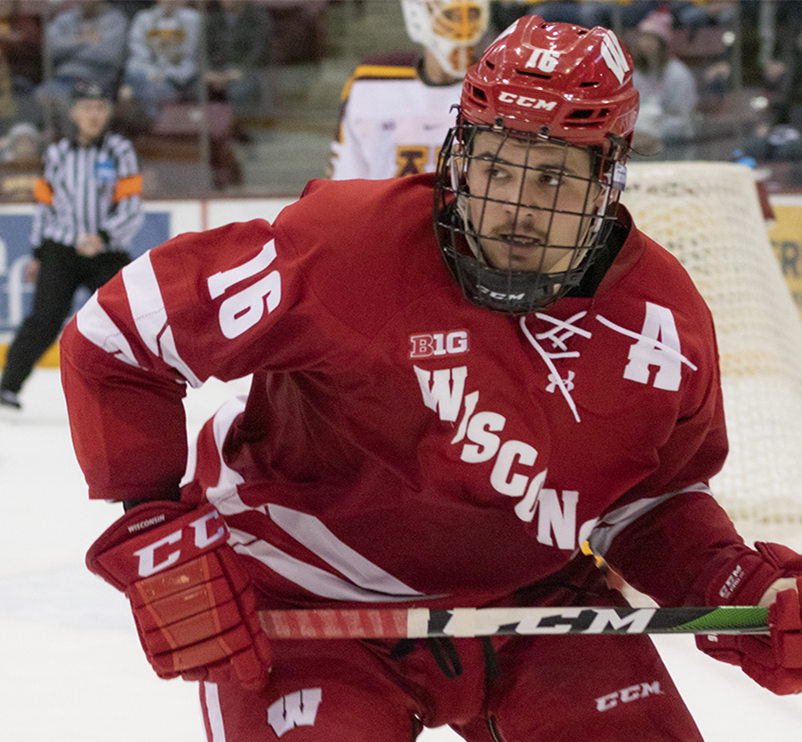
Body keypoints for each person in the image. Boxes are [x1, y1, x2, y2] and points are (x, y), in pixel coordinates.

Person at [61, 16, 802, 741]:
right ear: (459, 154)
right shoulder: (348, 247)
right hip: (302, 595)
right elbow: (115, 339)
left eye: (551, 176)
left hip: (533, 605)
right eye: (496, 165)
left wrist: (737, 582)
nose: (515, 206)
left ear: (608, 179)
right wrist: (158, 536)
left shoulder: (663, 324)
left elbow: (653, 500)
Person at [0, 80, 142, 410]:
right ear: (75, 113)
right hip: (60, 250)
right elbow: (44, 207)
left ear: (108, 114)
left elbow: (131, 205)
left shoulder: (120, 151)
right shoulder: (57, 154)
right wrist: (38, 253)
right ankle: (8, 386)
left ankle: (134, 390)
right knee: (45, 319)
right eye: (87, 108)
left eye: (101, 108)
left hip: (106, 251)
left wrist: (103, 237)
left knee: (125, 320)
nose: (94, 115)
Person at [328, 0, 489, 179]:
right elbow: (346, 181)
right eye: (450, 15)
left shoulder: (496, 87)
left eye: (472, 14)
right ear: (418, 15)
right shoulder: (371, 83)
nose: (463, 26)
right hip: (388, 207)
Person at [35, 0, 128, 134]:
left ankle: (73, 143)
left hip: (97, 84)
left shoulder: (115, 20)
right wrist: (86, 41)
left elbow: (109, 55)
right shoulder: (64, 19)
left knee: (76, 104)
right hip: (63, 81)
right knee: (39, 96)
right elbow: (50, 49)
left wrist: (70, 46)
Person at [630, 6, 699, 154]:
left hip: (673, 142)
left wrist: (655, 135)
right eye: (643, 37)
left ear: (662, 43)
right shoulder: (637, 73)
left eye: (651, 39)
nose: (645, 44)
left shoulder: (678, 74)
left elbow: (683, 118)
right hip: (638, 140)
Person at [119, 0, 201, 122]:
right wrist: (153, 71)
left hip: (177, 77)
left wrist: (165, 74)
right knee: (129, 82)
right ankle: (131, 123)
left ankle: (154, 124)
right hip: (149, 73)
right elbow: (137, 51)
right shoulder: (144, 17)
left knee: (151, 91)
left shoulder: (192, 18)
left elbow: (189, 55)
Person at [204, 0, 273, 120]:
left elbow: (260, 51)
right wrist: (209, 72)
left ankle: (234, 130)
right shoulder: (214, 17)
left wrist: (241, 71)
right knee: (195, 90)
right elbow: (205, 50)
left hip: (248, 71)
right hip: (218, 71)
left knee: (237, 92)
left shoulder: (258, 17)